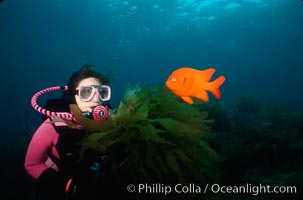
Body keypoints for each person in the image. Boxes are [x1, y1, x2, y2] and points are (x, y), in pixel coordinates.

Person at [24, 64, 115, 200]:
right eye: (86, 92)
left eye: (102, 92)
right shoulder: (54, 125)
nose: (96, 99)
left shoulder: (111, 121)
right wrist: (65, 186)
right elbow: (32, 164)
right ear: (74, 96)